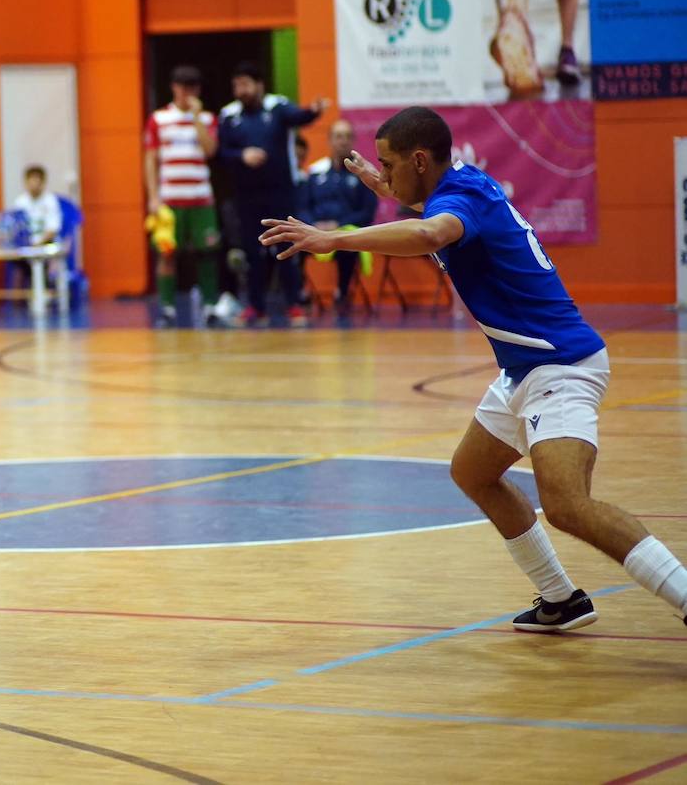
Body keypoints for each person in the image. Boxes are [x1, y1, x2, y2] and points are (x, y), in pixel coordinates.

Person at [259, 106, 687, 633]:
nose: (383, 172)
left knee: (566, 504)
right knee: (472, 472)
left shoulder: (454, 205)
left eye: (388, 164)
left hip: (560, 366)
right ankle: (561, 598)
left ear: (419, 159)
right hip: (523, 371)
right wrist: (387, 190)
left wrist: (336, 239)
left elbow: (428, 234)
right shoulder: (463, 181)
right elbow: (425, 207)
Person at [217, 61, 327, 328]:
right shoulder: (229, 115)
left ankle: (294, 305)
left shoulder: (277, 107)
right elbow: (220, 153)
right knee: (252, 253)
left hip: (280, 192)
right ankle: (256, 306)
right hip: (246, 196)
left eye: (245, 84)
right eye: (236, 85)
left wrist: (313, 111)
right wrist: (242, 155)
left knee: (287, 247)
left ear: (259, 85)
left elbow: (300, 117)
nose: (240, 90)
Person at [143, 65, 220, 328]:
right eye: (182, 86)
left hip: (201, 198)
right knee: (166, 254)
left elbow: (210, 150)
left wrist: (196, 117)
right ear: (174, 87)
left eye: (192, 86)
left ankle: (210, 307)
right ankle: (167, 309)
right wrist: (153, 197)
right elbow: (150, 159)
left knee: (207, 253)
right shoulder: (159, 119)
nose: (187, 92)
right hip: (170, 200)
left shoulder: (208, 119)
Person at [298, 119, 378, 317]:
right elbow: (302, 207)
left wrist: (338, 225)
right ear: (329, 140)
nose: (343, 141)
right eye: (338, 136)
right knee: (288, 243)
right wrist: (314, 225)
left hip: (345, 233)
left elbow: (367, 212)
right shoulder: (315, 172)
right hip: (314, 231)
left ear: (353, 141)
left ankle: (342, 293)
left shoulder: (362, 174)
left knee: (348, 245)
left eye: (348, 137)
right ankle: (299, 293)